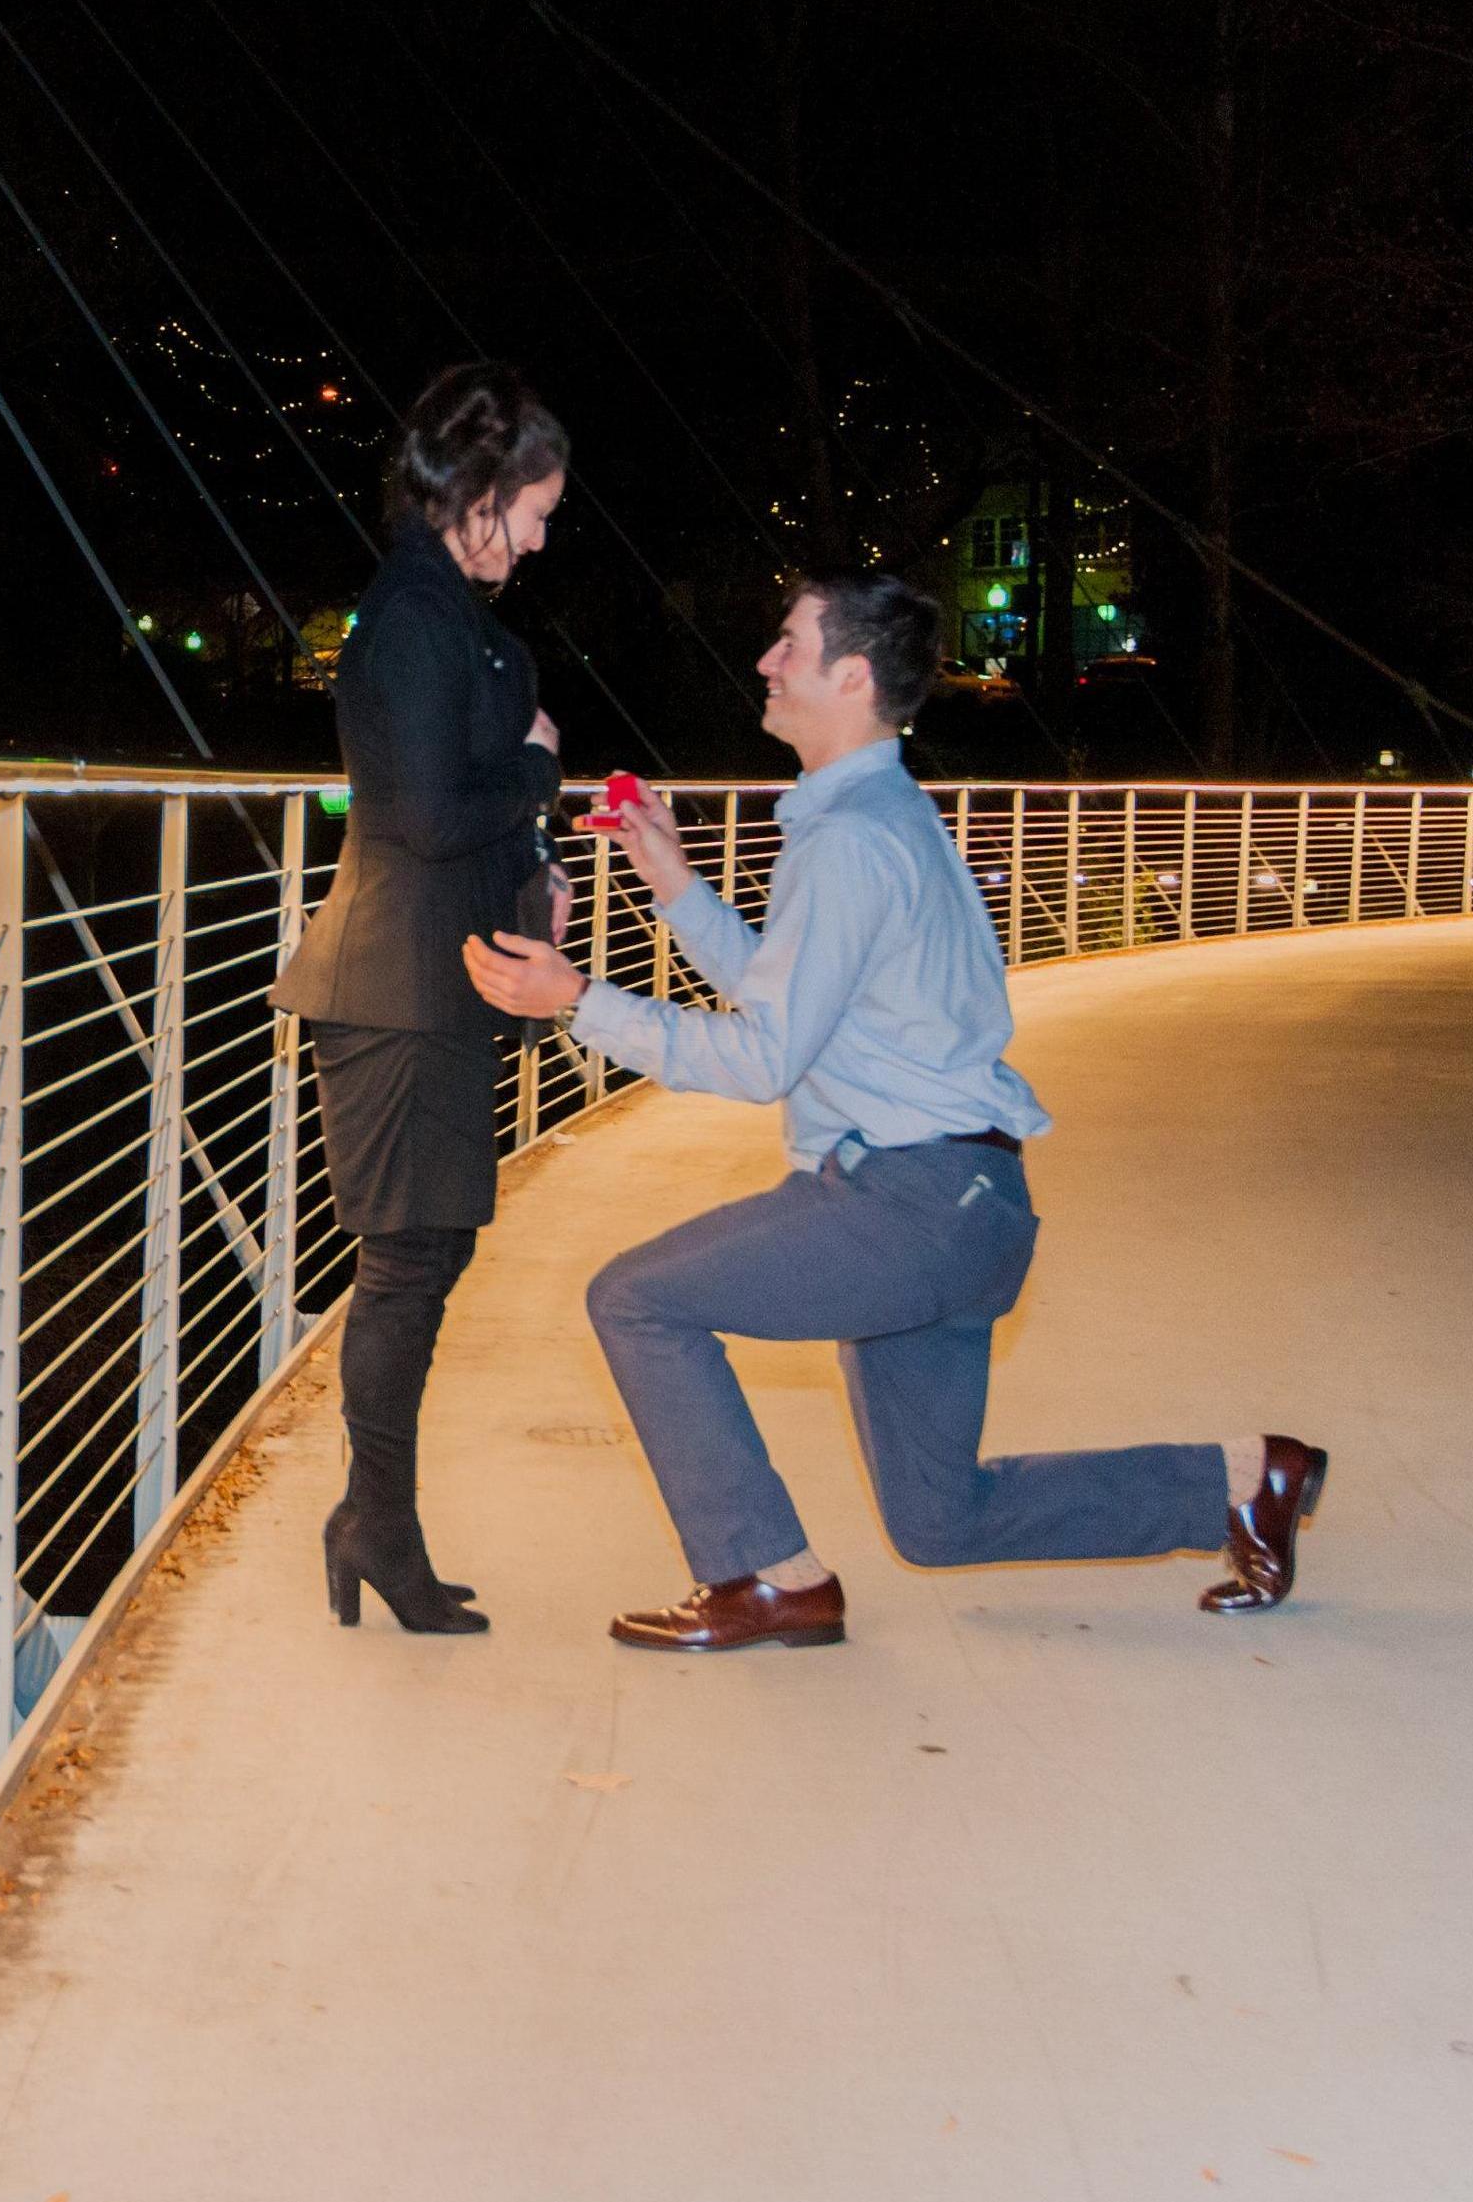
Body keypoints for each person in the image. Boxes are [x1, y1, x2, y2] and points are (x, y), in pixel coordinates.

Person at [464, 570, 1327, 1653]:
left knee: (636, 1300)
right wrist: (676, 884)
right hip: (966, 1201)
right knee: (938, 1518)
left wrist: (578, 1000)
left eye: (788, 642)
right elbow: (803, 1007)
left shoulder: (851, 840)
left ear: (852, 673)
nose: (768, 661)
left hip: (907, 1201)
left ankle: (765, 1576)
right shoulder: (881, 815)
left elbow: (762, 1056)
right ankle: (1245, 1482)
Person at [274, 363, 569, 1634]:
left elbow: (459, 797)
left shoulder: (443, 608)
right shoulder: (411, 615)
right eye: (540, 509)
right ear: (484, 494)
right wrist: (537, 776)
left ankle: (376, 1519)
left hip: (436, 981)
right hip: (393, 987)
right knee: (405, 1262)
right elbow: (414, 811)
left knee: (428, 1254)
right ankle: (372, 1524)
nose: (547, 536)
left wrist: (536, 858)